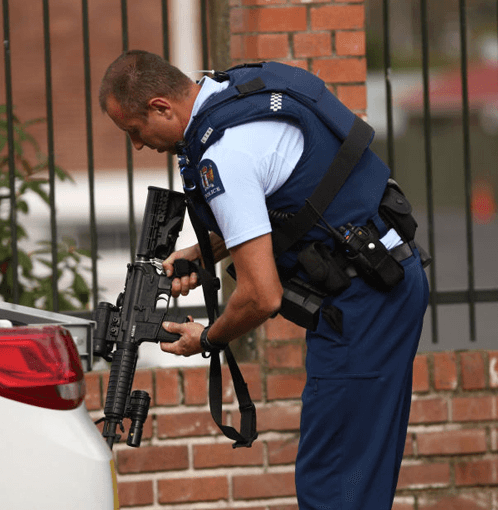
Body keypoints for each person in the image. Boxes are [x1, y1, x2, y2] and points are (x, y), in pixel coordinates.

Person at [99, 50, 429, 510]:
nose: (137, 145)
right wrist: (202, 253)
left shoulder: (223, 156)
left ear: (160, 107)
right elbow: (290, 197)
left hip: (363, 305)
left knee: (333, 483)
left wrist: (207, 338)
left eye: (135, 131)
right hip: (384, 278)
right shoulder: (238, 92)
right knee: (358, 469)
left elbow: (261, 295)